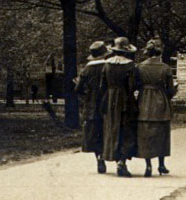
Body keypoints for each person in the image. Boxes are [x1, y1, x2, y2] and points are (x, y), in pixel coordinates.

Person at [135, 38, 177, 177]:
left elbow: (136, 85)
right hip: (160, 101)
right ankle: (161, 164)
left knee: (145, 133)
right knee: (162, 133)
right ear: (159, 52)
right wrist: (172, 92)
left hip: (144, 101)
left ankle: (148, 166)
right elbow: (170, 90)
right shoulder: (165, 68)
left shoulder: (140, 67)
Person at [100, 37, 139, 177]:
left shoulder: (107, 64)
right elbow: (133, 85)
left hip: (110, 99)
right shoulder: (130, 65)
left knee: (111, 128)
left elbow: (102, 85)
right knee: (126, 129)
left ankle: (110, 156)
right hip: (124, 99)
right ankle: (122, 161)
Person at [74, 41, 110, 174]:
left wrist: (86, 95)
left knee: (94, 132)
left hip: (91, 105)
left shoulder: (87, 69)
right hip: (107, 103)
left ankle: (99, 159)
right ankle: (113, 157)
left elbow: (77, 89)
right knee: (108, 130)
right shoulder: (108, 66)